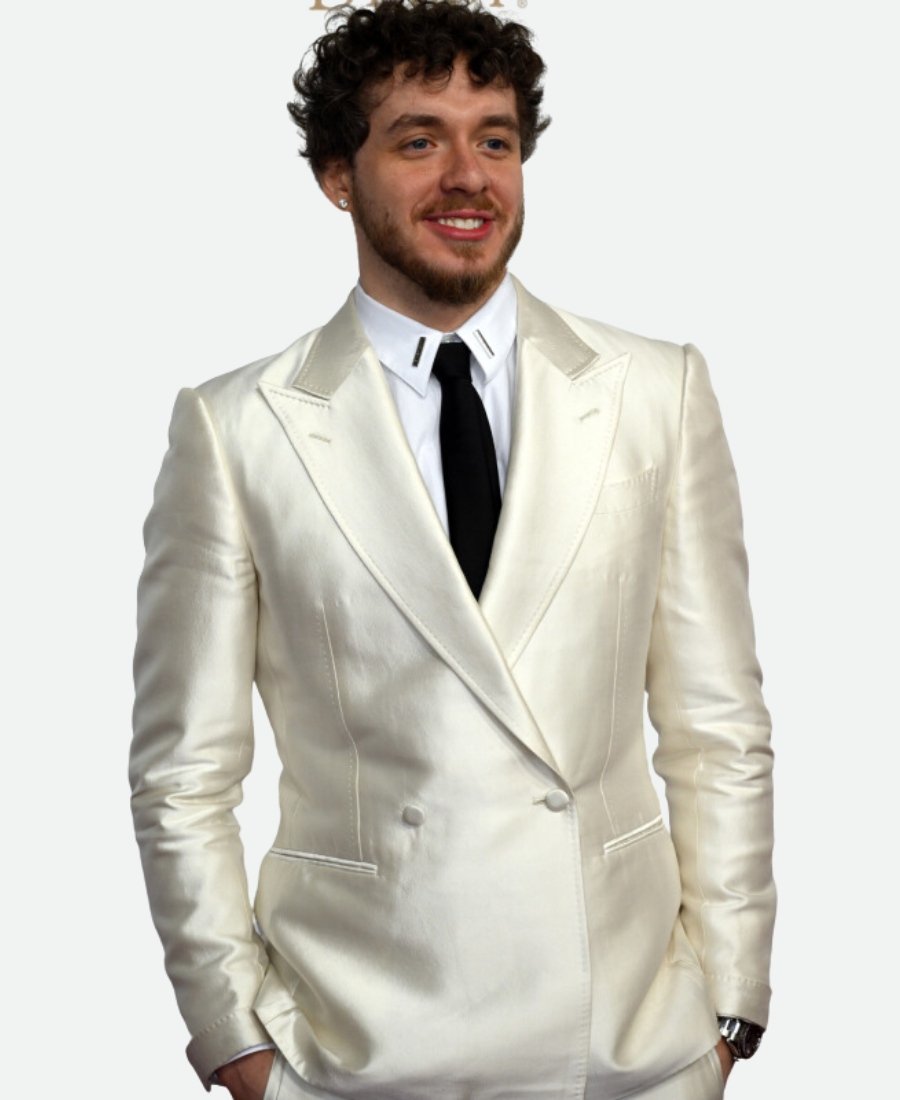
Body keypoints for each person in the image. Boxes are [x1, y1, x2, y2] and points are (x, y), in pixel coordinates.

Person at [129, 3, 775, 1098]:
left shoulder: (653, 392)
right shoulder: (238, 428)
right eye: (419, 140)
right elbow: (183, 772)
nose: (468, 177)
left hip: (624, 1045)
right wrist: (234, 1040)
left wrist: (730, 1004)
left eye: (496, 140)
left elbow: (718, 726)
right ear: (338, 175)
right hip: (354, 1042)